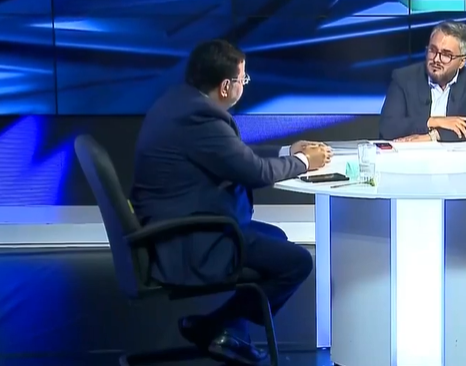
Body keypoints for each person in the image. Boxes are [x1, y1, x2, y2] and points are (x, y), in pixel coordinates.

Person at [130, 39, 332, 366]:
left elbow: (233, 156)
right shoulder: (201, 118)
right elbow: (256, 172)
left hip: (179, 225)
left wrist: (287, 151)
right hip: (188, 241)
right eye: (243, 78)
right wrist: (305, 162)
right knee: (298, 262)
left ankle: (224, 329)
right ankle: (220, 326)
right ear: (226, 86)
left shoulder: (180, 102)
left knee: (277, 238)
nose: (244, 84)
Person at [379, 21, 466, 142]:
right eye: (432, 50)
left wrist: (434, 136)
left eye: (446, 55)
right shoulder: (403, 78)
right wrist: (434, 121)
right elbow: (388, 126)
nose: (436, 59)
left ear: (462, 62)